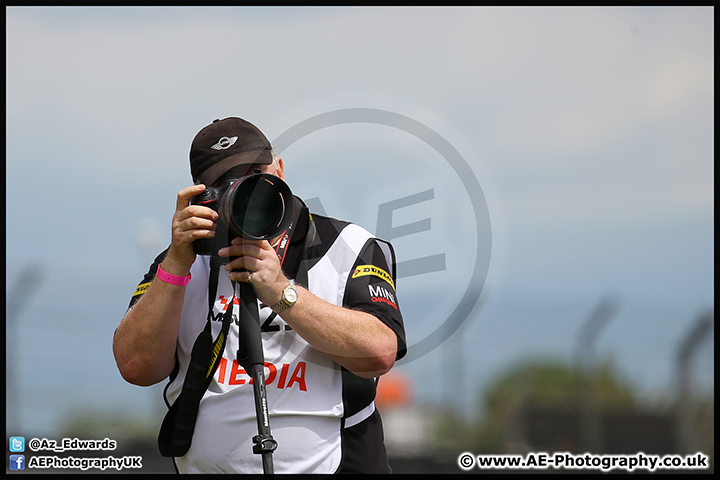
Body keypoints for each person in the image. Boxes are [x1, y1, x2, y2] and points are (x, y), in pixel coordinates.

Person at [113, 117, 407, 474]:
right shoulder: (181, 262)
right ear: (200, 197)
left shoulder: (348, 247)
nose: (249, 188)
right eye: (226, 182)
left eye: (256, 171)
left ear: (280, 169)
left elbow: (379, 352)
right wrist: (176, 262)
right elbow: (137, 368)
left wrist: (281, 292)